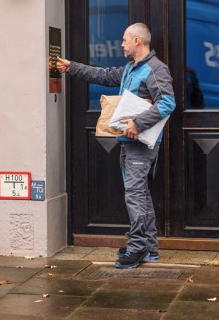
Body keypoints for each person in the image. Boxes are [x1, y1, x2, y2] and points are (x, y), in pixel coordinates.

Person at [56, 22, 176, 269]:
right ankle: (149, 248)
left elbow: (167, 103)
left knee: (134, 194)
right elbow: (104, 75)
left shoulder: (155, 69)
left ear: (137, 42)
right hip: (128, 142)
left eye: (124, 40)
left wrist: (139, 123)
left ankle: (137, 248)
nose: (121, 44)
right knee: (139, 194)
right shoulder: (131, 69)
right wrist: (72, 67)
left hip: (140, 144)